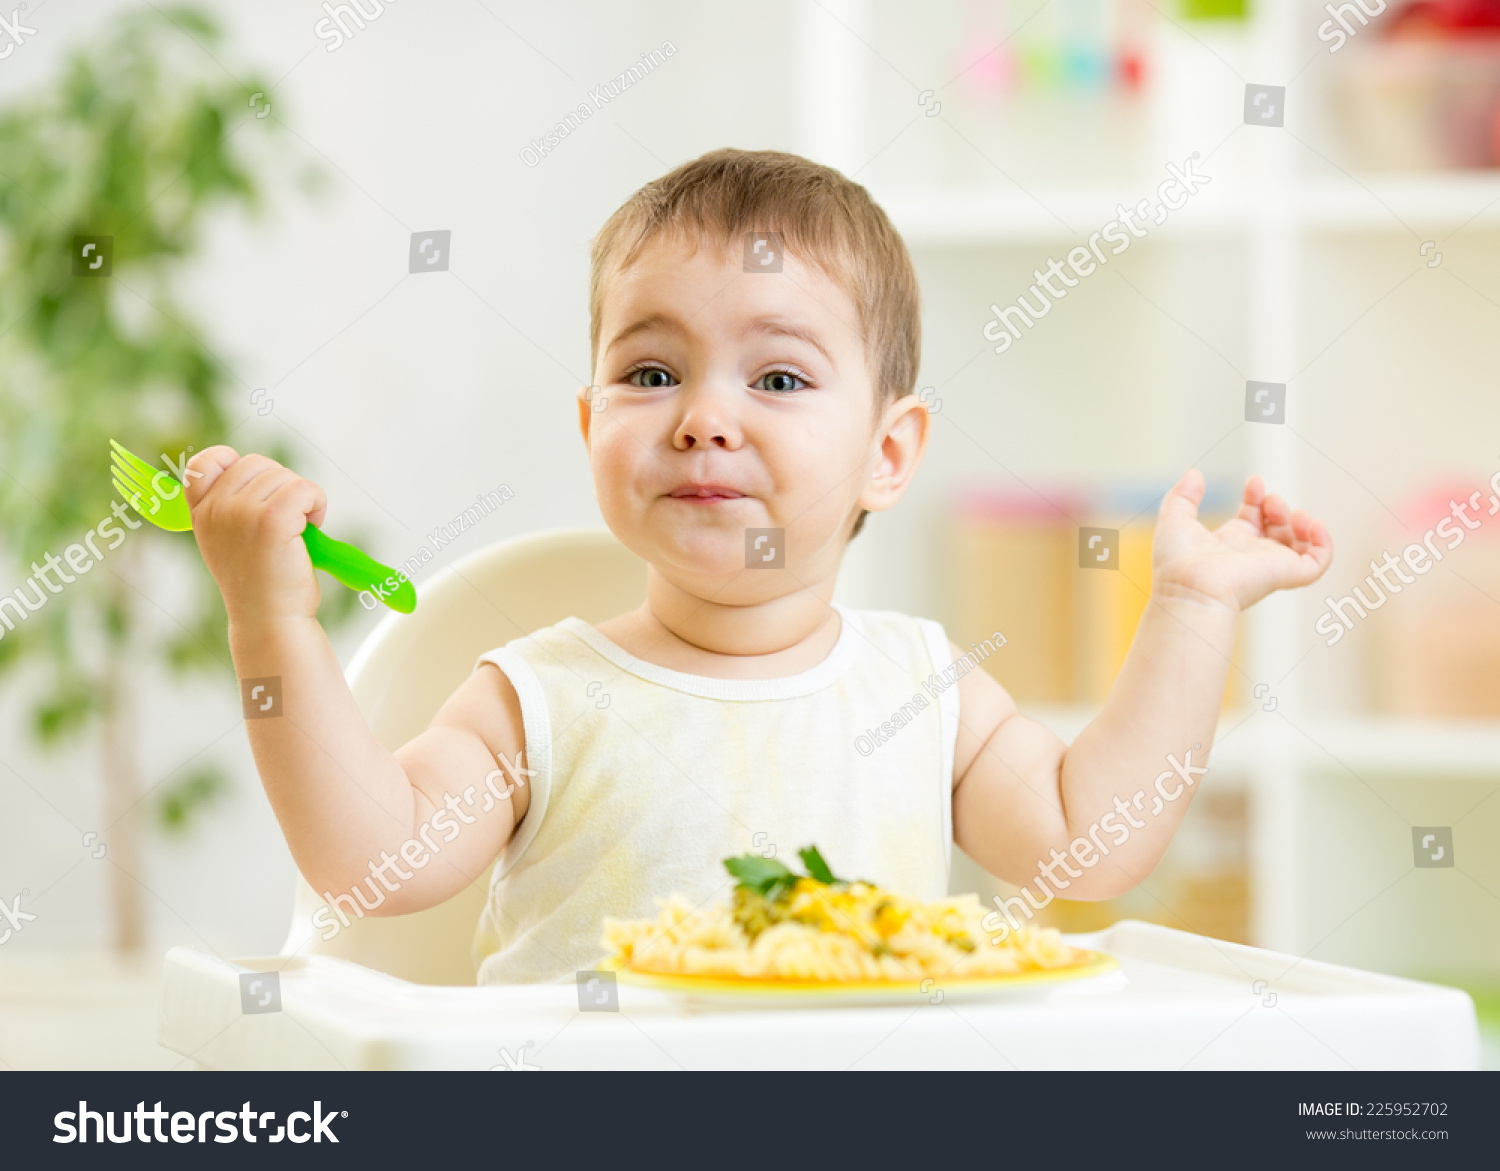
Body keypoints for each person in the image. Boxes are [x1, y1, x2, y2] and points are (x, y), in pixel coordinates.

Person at [184, 148, 1333, 983]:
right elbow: (374, 867)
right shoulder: (536, 698)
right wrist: (268, 621)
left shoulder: (922, 688)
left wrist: (1189, 607)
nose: (702, 418)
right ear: (590, 426)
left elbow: (1090, 844)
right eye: (650, 372)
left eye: (777, 379)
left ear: (889, 453)